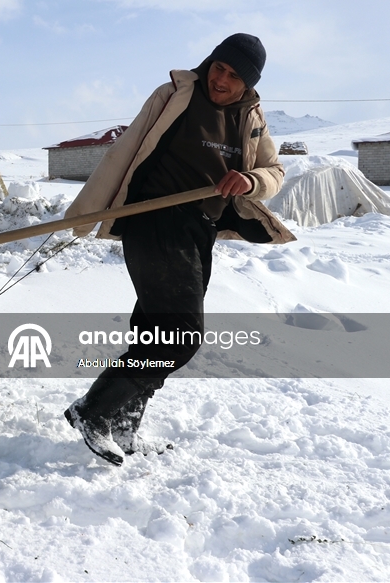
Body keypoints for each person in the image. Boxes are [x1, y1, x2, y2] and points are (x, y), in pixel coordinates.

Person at [62, 33, 295, 466]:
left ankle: (124, 426)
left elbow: (274, 171)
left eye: (234, 76)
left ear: (249, 84)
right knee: (181, 336)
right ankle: (94, 410)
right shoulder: (176, 95)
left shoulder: (251, 118)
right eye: (219, 67)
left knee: (155, 333)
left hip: (199, 229)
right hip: (154, 218)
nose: (221, 79)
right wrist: (86, 212)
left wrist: (250, 180)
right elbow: (124, 150)